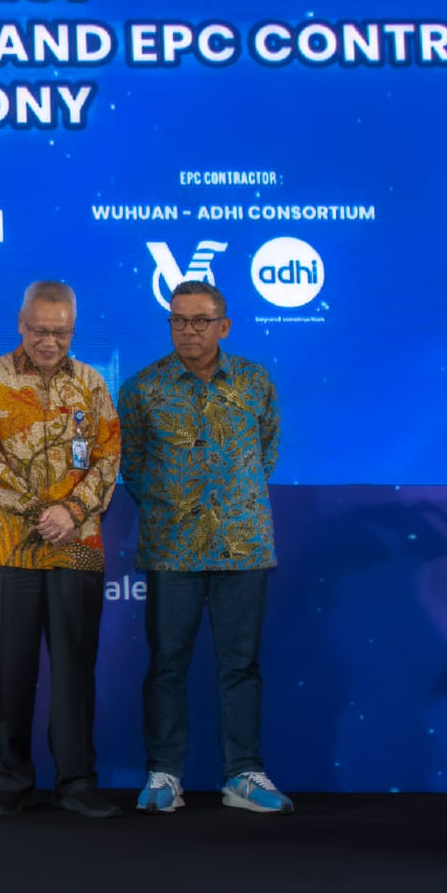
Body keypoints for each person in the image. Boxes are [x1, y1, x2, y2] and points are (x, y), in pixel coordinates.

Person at [118, 280, 293, 814]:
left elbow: (265, 454)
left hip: (243, 546)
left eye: (199, 320)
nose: (188, 330)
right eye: (178, 320)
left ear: (224, 326)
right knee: (166, 665)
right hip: (172, 548)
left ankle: (243, 774)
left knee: (240, 665)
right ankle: (164, 774)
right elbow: (133, 466)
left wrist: (229, 501)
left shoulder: (255, 382)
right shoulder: (142, 388)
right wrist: (178, 507)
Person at [0, 280, 121, 819]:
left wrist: (72, 512)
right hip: (7, 545)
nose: (49, 341)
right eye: (39, 330)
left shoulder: (92, 384)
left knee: (75, 670)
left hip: (78, 544)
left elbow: (108, 458)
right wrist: (42, 513)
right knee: (8, 671)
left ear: (73, 329)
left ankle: (76, 783)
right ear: (20, 324)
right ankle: (11, 783)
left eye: (60, 332)